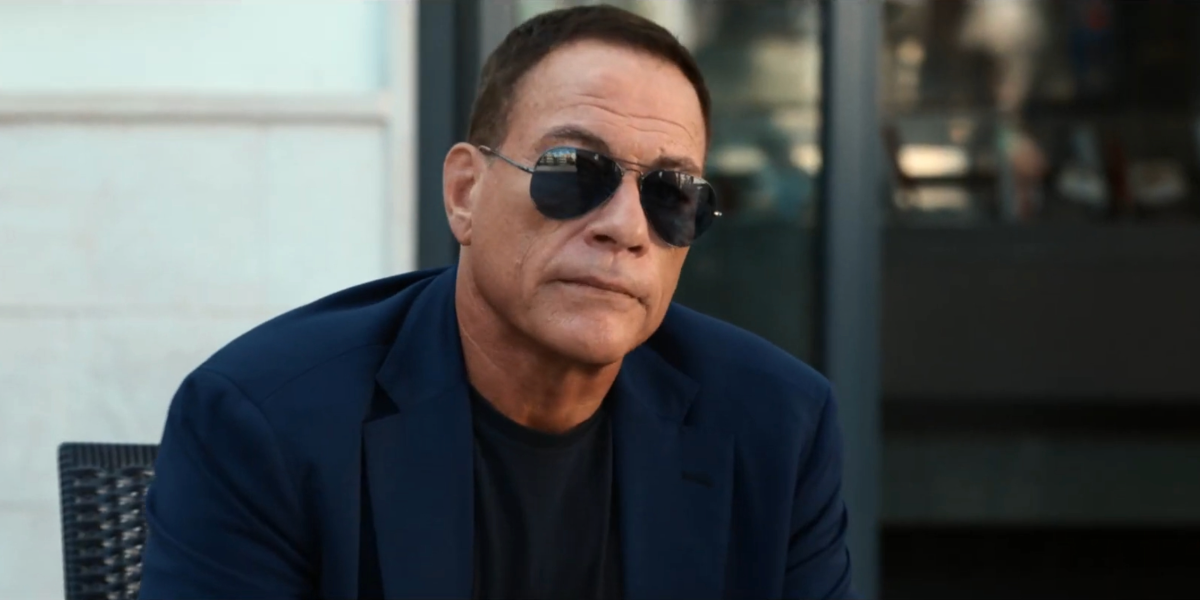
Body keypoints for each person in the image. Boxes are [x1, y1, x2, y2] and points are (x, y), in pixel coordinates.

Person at [138, 5, 854, 599]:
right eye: (573, 170)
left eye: (671, 194)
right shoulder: (266, 421)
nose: (627, 227)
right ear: (465, 193)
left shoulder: (774, 424)